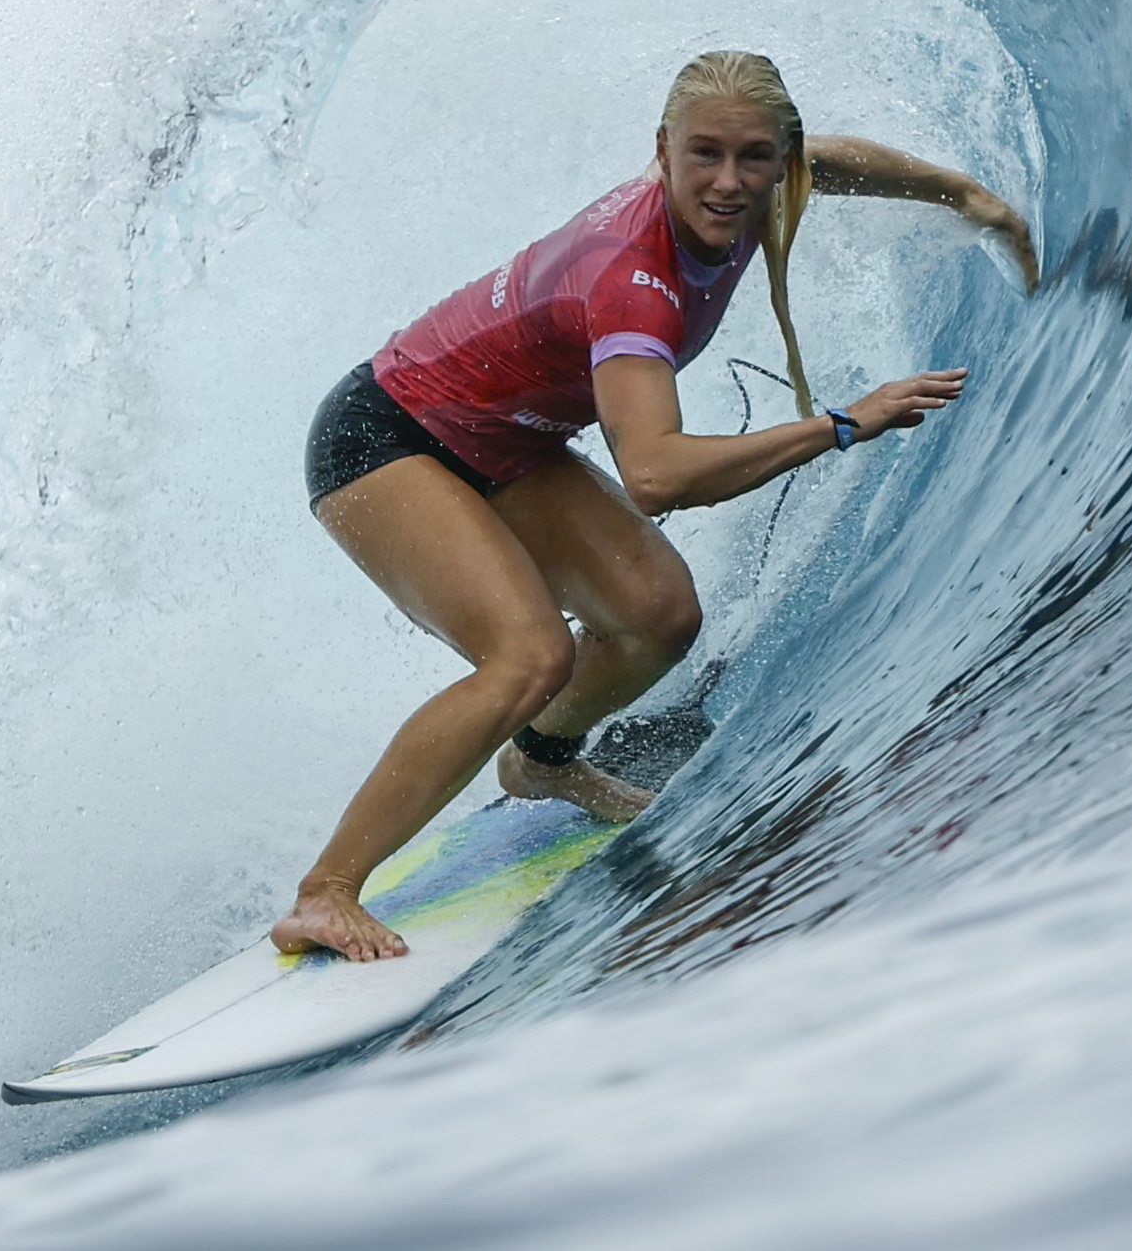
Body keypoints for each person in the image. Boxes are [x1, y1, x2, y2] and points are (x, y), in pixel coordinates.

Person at [277, 49, 1039, 961]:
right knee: (530, 656)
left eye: (754, 158)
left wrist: (966, 197)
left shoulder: (751, 188)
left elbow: (824, 160)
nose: (729, 183)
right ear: (663, 151)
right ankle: (325, 891)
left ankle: (541, 762)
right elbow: (657, 475)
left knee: (657, 617)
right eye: (704, 157)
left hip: (504, 438)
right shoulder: (634, 281)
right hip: (387, 438)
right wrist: (843, 423)